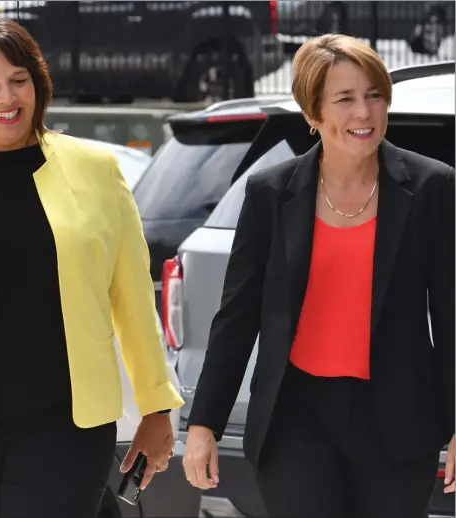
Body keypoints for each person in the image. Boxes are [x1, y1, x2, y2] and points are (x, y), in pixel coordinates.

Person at [0, 16, 183, 518]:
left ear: (37, 84)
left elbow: (131, 296)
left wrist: (157, 408)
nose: (7, 97)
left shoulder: (95, 169)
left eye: (19, 80)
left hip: (67, 425)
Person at [182, 34, 454, 518]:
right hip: (295, 421)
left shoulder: (434, 187)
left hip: (395, 419)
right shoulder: (270, 193)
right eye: (345, 99)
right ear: (314, 113)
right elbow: (237, 316)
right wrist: (205, 424)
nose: (364, 113)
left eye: (373, 95)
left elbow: (451, 314)